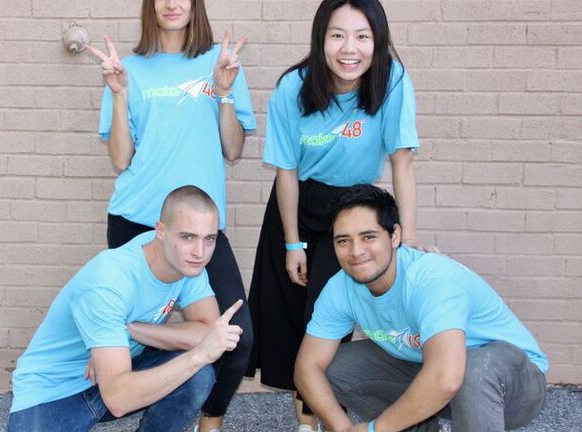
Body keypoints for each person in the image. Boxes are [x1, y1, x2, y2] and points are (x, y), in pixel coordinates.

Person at [246, 0, 423, 429]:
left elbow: (402, 162)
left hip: (354, 211)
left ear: (377, 40)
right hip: (296, 206)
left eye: (363, 36)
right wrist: (293, 243)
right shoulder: (294, 86)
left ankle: (318, 416)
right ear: (321, 38)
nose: (351, 48)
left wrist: (409, 240)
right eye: (338, 35)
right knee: (287, 318)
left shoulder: (393, 80)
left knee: (326, 321)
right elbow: (286, 171)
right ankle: (306, 420)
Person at [85, 0, 256, 430]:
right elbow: (121, 159)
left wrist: (223, 91)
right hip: (137, 220)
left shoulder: (221, 62)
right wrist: (119, 94)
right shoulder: (130, 69)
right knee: (130, 328)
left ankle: (209, 421)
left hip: (199, 229)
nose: (172, 3)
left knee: (239, 336)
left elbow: (233, 149)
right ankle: (135, 404)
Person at [295, 184, 549, 432]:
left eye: (368, 237)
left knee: (471, 370)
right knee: (334, 365)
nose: (356, 251)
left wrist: (376, 429)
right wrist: (343, 428)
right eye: (343, 241)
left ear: (394, 236)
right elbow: (307, 368)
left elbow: (447, 377)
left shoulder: (431, 278)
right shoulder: (340, 287)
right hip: (433, 373)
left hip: (513, 386)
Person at [7, 186, 244, 432]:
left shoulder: (185, 262)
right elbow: (119, 400)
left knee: (198, 377)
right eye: (187, 237)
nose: (200, 252)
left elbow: (207, 331)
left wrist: (132, 330)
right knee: (195, 363)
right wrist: (198, 355)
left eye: (209, 239)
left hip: (121, 370)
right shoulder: (109, 280)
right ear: (161, 231)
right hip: (54, 390)